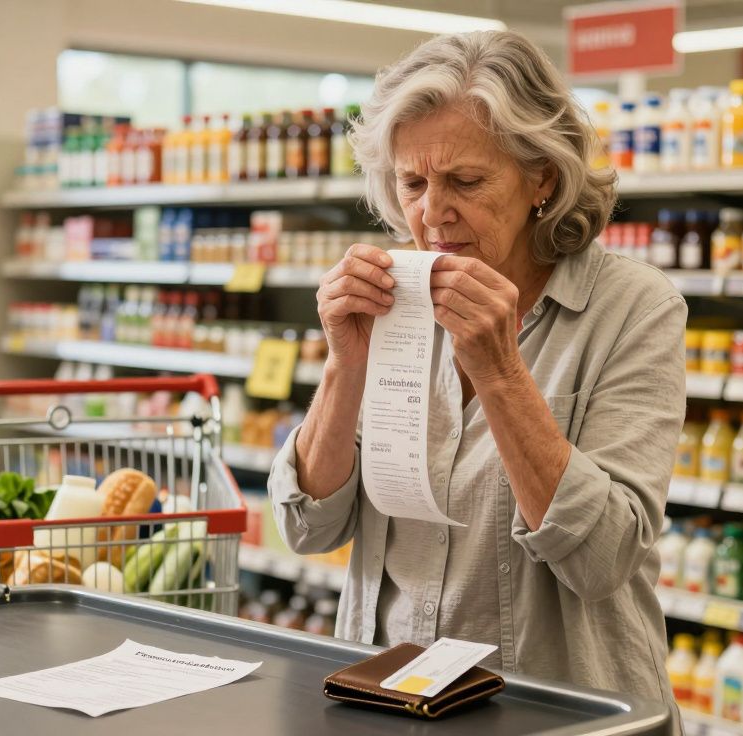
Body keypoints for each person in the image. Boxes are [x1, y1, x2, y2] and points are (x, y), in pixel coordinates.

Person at [268, 30, 686, 715]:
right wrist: (345, 364)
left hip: (560, 711)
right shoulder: (393, 299)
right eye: (412, 183)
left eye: (465, 181)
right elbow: (309, 528)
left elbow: (603, 558)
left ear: (541, 177)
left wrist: (501, 373)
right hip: (390, 696)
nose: (432, 214)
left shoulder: (634, 309)